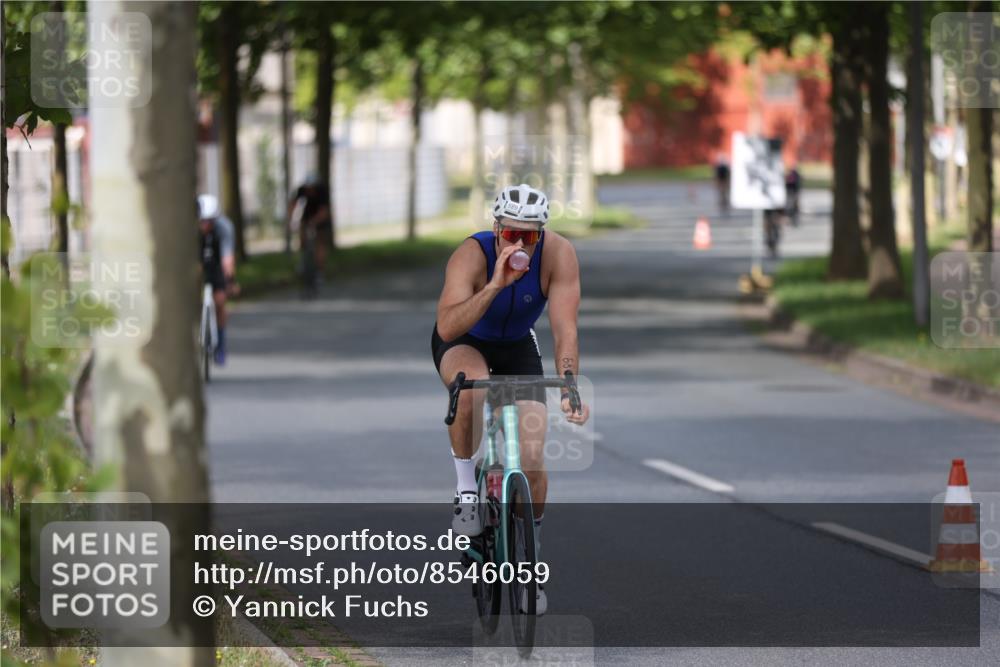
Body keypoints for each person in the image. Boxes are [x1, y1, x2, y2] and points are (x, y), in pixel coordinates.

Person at [431, 183, 591, 615]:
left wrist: (570, 382)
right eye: (511, 234)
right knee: (471, 385)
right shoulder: (472, 254)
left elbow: (565, 329)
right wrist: (495, 284)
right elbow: (447, 326)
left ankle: (530, 557)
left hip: (519, 345)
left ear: (542, 235)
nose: (519, 244)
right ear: (496, 228)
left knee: (533, 458)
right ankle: (467, 491)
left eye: (530, 236)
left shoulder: (558, 256)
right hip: (465, 339)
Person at [198, 194, 235, 364]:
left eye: (209, 221)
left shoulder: (224, 228)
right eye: (202, 221)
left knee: (220, 301)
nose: (205, 225)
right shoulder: (189, 228)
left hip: (216, 262)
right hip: (198, 260)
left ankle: (220, 343)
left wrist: (230, 281)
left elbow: (227, 259)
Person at [288, 174, 332, 293]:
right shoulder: (301, 190)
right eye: (308, 188)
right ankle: (303, 260)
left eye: (312, 188)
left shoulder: (322, 192)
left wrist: (314, 222)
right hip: (307, 215)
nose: (309, 190)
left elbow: (324, 212)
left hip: (320, 217)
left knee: (320, 243)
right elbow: (293, 205)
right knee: (302, 235)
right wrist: (291, 220)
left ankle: (319, 272)